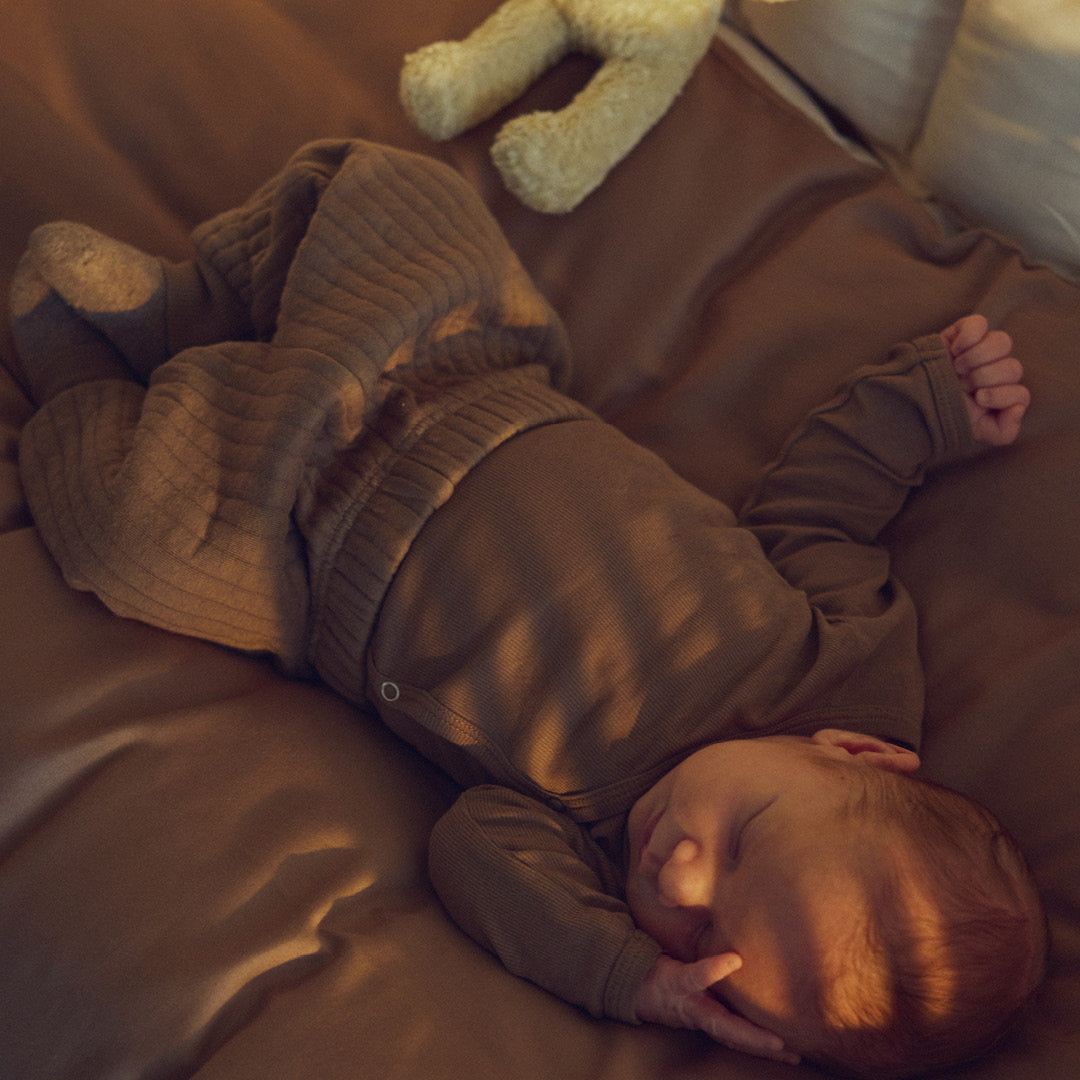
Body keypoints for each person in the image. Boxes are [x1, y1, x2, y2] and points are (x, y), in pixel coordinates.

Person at [10, 139, 1044, 1078]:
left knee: (135, 548)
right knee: (395, 196)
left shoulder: (592, 854)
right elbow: (822, 507)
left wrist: (628, 974)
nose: (681, 877)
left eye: (705, 943)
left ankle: (85, 359)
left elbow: (473, 848)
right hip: (465, 380)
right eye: (742, 841)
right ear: (857, 754)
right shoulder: (845, 666)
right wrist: (922, 408)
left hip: (307, 553)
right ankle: (197, 317)